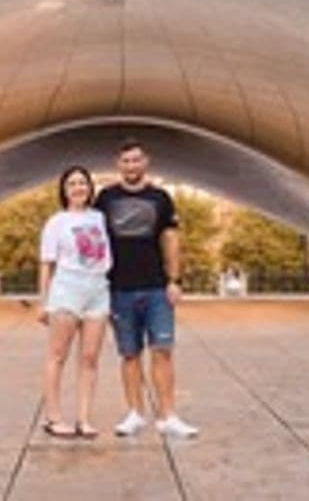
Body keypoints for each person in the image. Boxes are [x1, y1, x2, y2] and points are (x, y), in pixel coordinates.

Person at [96, 139, 199, 438]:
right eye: (126, 161)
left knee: (162, 351)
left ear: (146, 162)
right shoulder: (105, 198)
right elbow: (94, 241)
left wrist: (175, 280)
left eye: (136, 160)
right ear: (119, 164)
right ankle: (134, 414)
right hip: (119, 288)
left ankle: (168, 416)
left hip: (155, 287)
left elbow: (170, 240)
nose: (131, 165)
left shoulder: (160, 198)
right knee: (129, 354)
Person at [37, 165, 112, 439]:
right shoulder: (56, 222)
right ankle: (53, 417)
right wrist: (43, 302)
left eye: (83, 183)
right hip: (67, 289)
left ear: (90, 188)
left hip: (97, 290)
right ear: (64, 191)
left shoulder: (100, 218)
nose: (79, 188)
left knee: (90, 358)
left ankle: (84, 418)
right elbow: (46, 264)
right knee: (57, 356)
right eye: (72, 184)